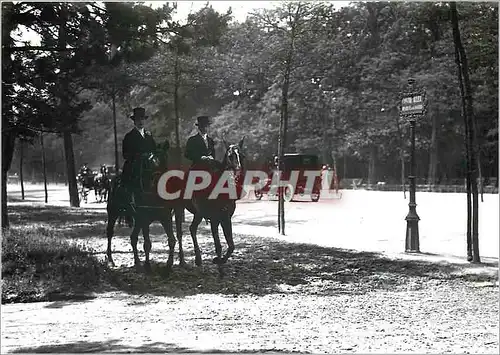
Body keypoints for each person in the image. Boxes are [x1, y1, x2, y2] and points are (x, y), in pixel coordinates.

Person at [121, 107, 157, 209]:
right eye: (138, 120)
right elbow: (125, 154)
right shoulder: (129, 136)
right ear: (134, 121)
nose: (140, 122)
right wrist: (139, 156)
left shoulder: (149, 135)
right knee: (128, 180)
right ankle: (128, 202)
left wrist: (151, 155)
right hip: (134, 165)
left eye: (142, 119)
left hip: (148, 164)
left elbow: (154, 149)